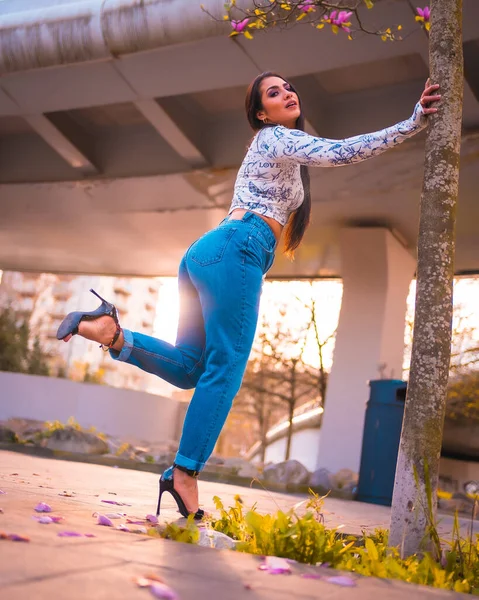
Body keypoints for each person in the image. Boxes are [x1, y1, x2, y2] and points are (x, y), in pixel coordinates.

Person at [57, 72, 441, 519]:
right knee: (226, 366)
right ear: (261, 113)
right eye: (273, 93)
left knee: (191, 369)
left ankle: (113, 335)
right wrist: (413, 122)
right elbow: (341, 151)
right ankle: (184, 474)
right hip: (237, 247)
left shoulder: (281, 150)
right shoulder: (273, 136)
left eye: (289, 87)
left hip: (210, 252)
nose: (288, 93)